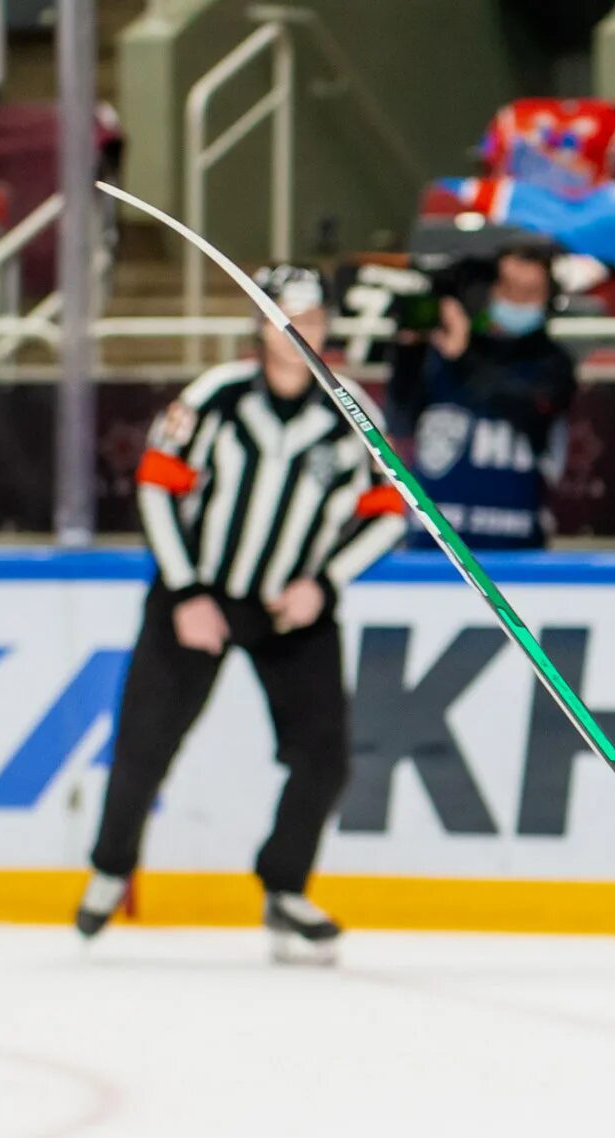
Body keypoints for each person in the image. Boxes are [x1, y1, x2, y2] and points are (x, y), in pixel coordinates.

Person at [76, 264, 407, 962]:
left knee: (324, 754)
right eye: (287, 319)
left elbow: (389, 514)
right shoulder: (216, 397)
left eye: (313, 322)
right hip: (197, 593)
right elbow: (158, 487)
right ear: (260, 325)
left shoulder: (354, 416)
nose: (300, 334)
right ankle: (111, 866)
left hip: (294, 604)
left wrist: (326, 582)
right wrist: (188, 590)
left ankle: (284, 887)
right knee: (145, 740)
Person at [386, 241, 576, 551]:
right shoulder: (441, 350)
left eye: (529, 292)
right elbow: (400, 421)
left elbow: (528, 407)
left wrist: (463, 356)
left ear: (549, 299)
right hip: (432, 544)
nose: (516, 299)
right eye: (508, 288)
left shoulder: (553, 363)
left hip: (515, 546)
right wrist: (408, 349)